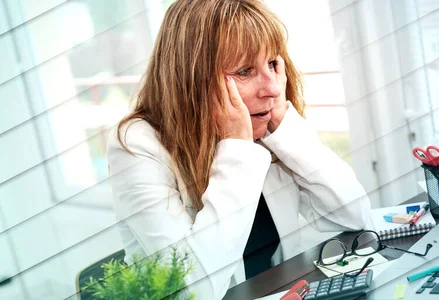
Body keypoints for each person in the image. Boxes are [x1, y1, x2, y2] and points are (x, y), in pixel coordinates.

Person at [106, 0, 371, 298]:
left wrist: (286, 131)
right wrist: (236, 148)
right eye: (245, 71)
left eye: (273, 64)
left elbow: (354, 216)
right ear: (191, 80)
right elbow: (192, 289)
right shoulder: (136, 145)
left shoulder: (268, 127)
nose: (271, 88)